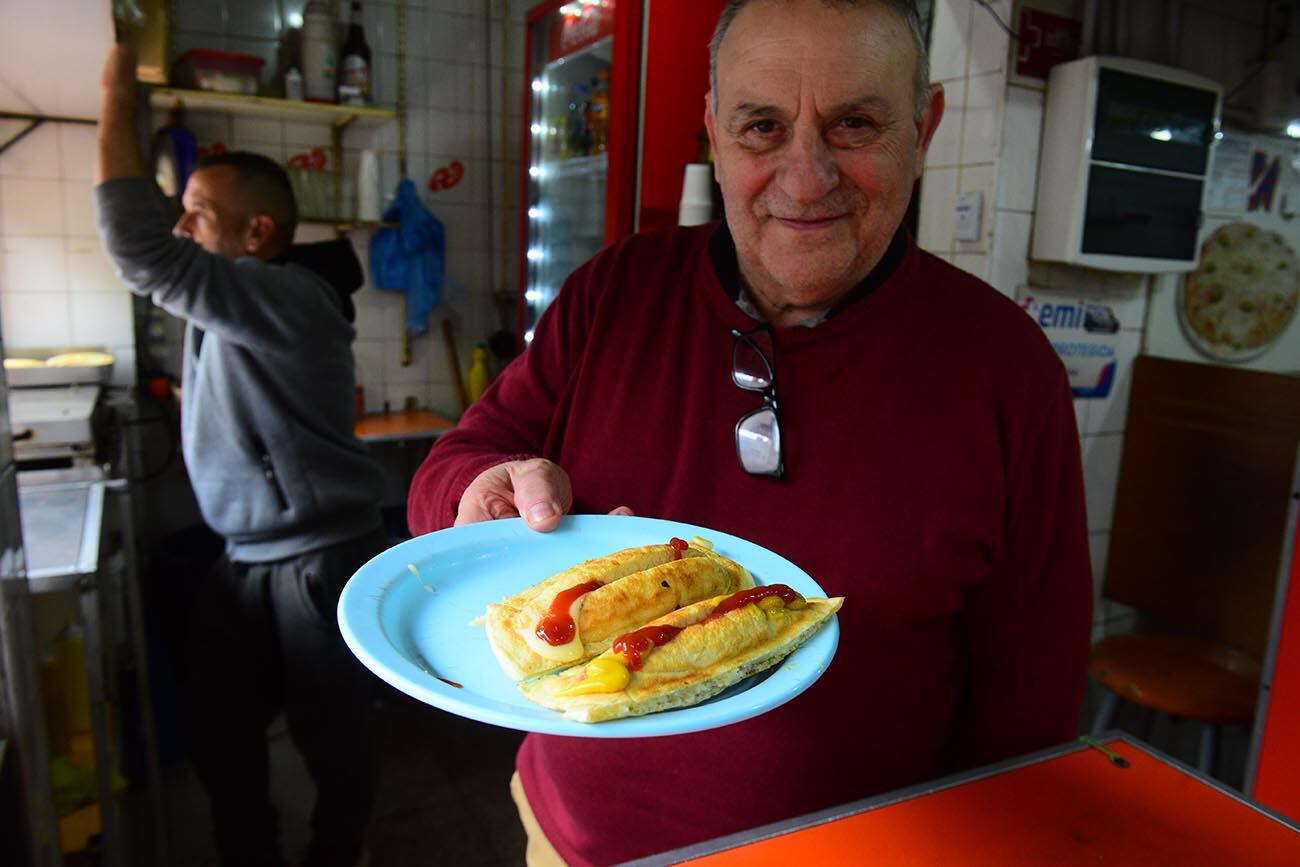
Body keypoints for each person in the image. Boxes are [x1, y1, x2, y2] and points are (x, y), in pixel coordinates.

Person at [407, 0, 1093, 864]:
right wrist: (483, 494)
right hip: (569, 840)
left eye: (854, 124)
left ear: (924, 128)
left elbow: (1030, 704)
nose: (806, 179)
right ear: (713, 133)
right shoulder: (612, 295)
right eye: (763, 126)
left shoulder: (1008, 369)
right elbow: (454, 466)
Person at [95, 40, 385, 867]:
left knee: (334, 738)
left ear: (257, 232)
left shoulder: (285, 296)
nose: (182, 227)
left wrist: (119, 83)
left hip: (317, 561)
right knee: (221, 731)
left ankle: (337, 854)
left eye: (197, 212)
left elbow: (141, 252)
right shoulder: (235, 302)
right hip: (246, 557)